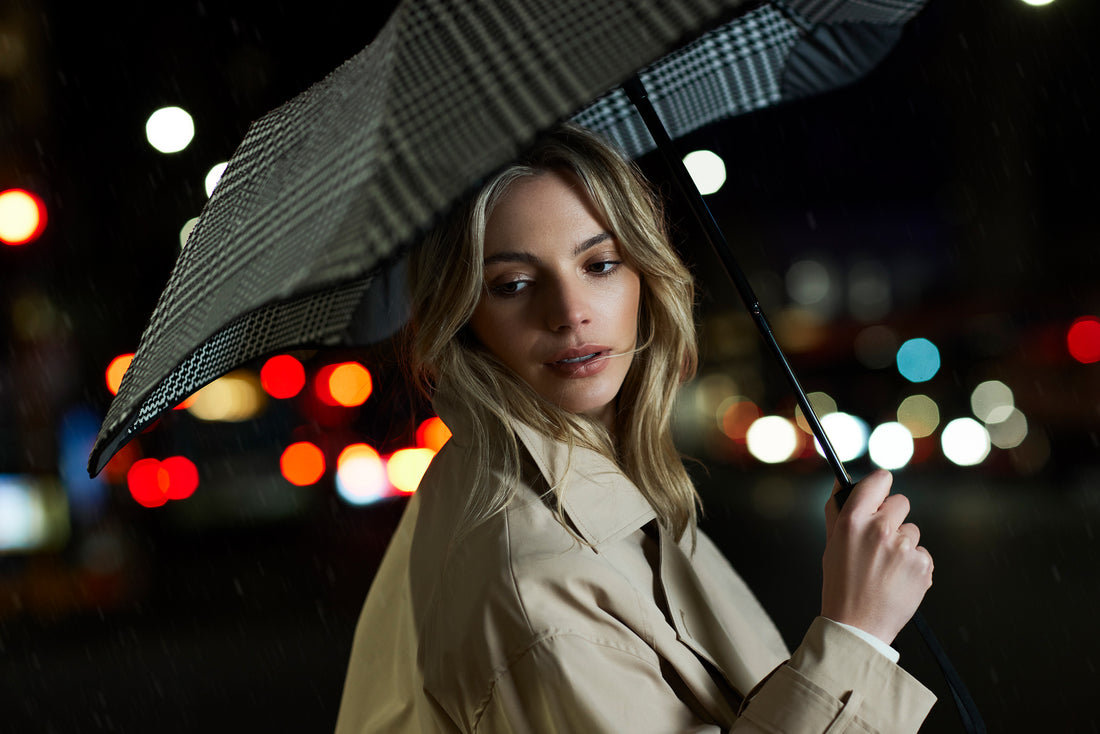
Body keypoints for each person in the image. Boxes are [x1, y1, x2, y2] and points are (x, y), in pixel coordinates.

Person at [333, 123, 936, 733]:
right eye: (513, 284)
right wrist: (856, 633)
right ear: (465, 318)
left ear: (644, 275)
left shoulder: (605, 483)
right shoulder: (537, 589)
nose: (571, 312)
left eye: (599, 264)